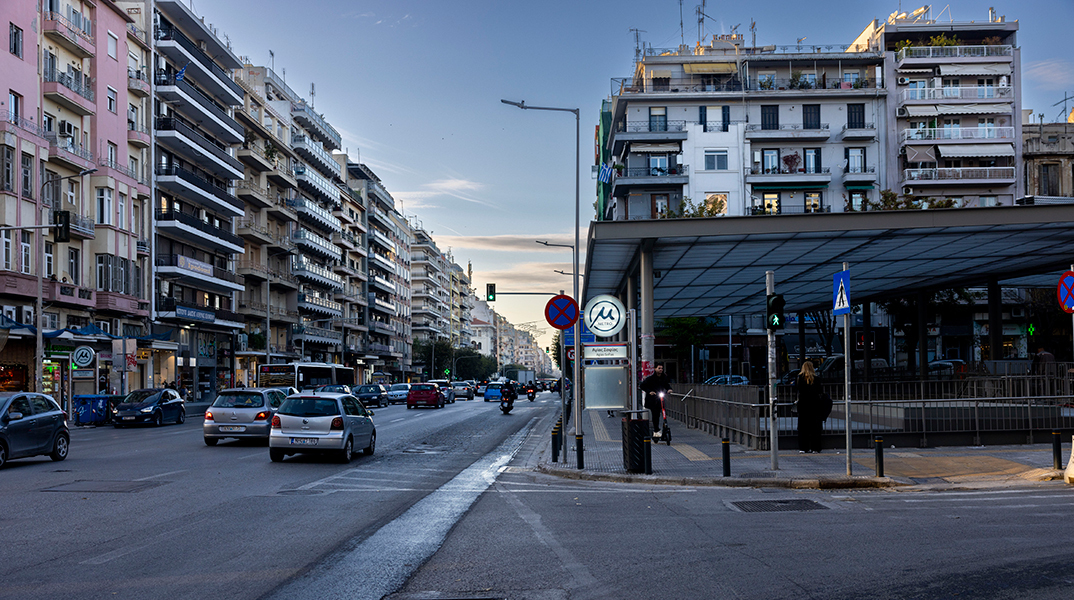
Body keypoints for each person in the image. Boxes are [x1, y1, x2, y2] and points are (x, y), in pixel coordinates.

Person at [796, 361, 824, 453]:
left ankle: (803, 448)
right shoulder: (817, 379)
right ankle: (815, 448)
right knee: (815, 427)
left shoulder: (800, 378)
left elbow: (798, 390)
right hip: (815, 405)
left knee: (803, 427)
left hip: (803, 405)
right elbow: (820, 391)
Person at [639, 364, 672, 434]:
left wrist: (669, 389)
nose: (661, 370)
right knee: (655, 414)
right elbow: (642, 385)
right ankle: (656, 428)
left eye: (662, 368)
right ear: (655, 369)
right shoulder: (650, 378)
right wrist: (649, 392)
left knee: (659, 413)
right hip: (652, 399)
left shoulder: (664, 378)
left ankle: (660, 427)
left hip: (660, 398)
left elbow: (666, 385)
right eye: (659, 368)